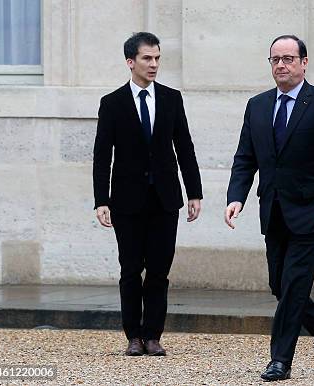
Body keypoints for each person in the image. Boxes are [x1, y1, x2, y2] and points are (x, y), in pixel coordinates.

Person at [225, 35, 314, 381]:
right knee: (279, 284)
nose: (281, 65)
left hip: (310, 213)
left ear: (304, 62)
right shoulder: (258, 105)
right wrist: (236, 197)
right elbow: (245, 157)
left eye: (289, 59)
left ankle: (280, 359)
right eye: (275, 59)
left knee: (293, 286)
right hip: (274, 210)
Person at [93, 32, 202, 356]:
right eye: (147, 58)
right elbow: (102, 156)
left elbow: (185, 147)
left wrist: (194, 192)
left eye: (157, 58)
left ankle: (153, 335)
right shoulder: (112, 103)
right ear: (131, 62)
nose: (154, 64)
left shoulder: (171, 98)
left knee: (158, 270)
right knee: (130, 270)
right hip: (126, 201)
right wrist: (101, 200)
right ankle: (133, 336)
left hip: (165, 199)